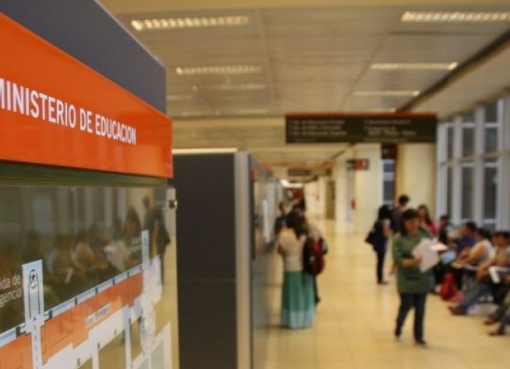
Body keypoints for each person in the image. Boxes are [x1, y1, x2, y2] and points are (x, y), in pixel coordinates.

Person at [393, 209, 433, 345]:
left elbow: (433, 246)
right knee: (407, 305)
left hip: (423, 276)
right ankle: (399, 324)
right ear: (404, 222)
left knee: (420, 308)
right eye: (411, 221)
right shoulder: (398, 238)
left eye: (416, 220)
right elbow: (398, 260)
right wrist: (412, 262)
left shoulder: (424, 234)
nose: (414, 224)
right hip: (406, 278)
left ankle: (419, 336)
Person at [449, 231, 510, 316]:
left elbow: (501, 266)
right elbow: (491, 261)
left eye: (499, 238)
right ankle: (462, 306)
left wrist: (485, 272)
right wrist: (482, 268)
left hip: (502, 275)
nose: (495, 240)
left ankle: (463, 306)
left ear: (506, 239)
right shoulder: (498, 248)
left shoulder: (508, 250)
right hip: (494, 273)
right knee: (480, 285)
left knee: (481, 283)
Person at [277, 212, 315, 329]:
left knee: (292, 297)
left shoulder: (284, 235)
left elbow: (279, 250)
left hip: (290, 268)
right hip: (305, 269)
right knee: (304, 295)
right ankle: (305, 320)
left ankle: (292, 321)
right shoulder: (304, 234)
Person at [369, 205, 392, 285]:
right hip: (382, 244)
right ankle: (380, 279)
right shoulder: (386, 221)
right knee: (381, 262)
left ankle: (379, 278)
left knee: (379, 262)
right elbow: (386, 234)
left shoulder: (377, 221)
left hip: (377, 244)